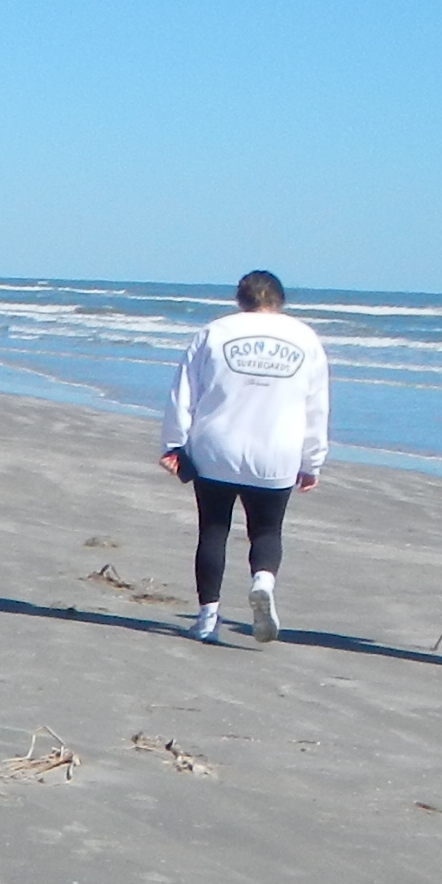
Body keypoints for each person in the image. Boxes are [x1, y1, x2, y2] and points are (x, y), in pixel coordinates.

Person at [156, 270, 328, 643]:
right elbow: (316, 407)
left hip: (217, 447)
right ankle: (263, 580)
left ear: (241, 299)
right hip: (276, 450)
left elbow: (184, 391)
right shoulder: (306, 338)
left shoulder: (215, 332)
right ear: (280, 301)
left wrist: (174, 443)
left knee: (213, 530)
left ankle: (207, 618)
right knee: (266, 529)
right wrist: (312, 461)